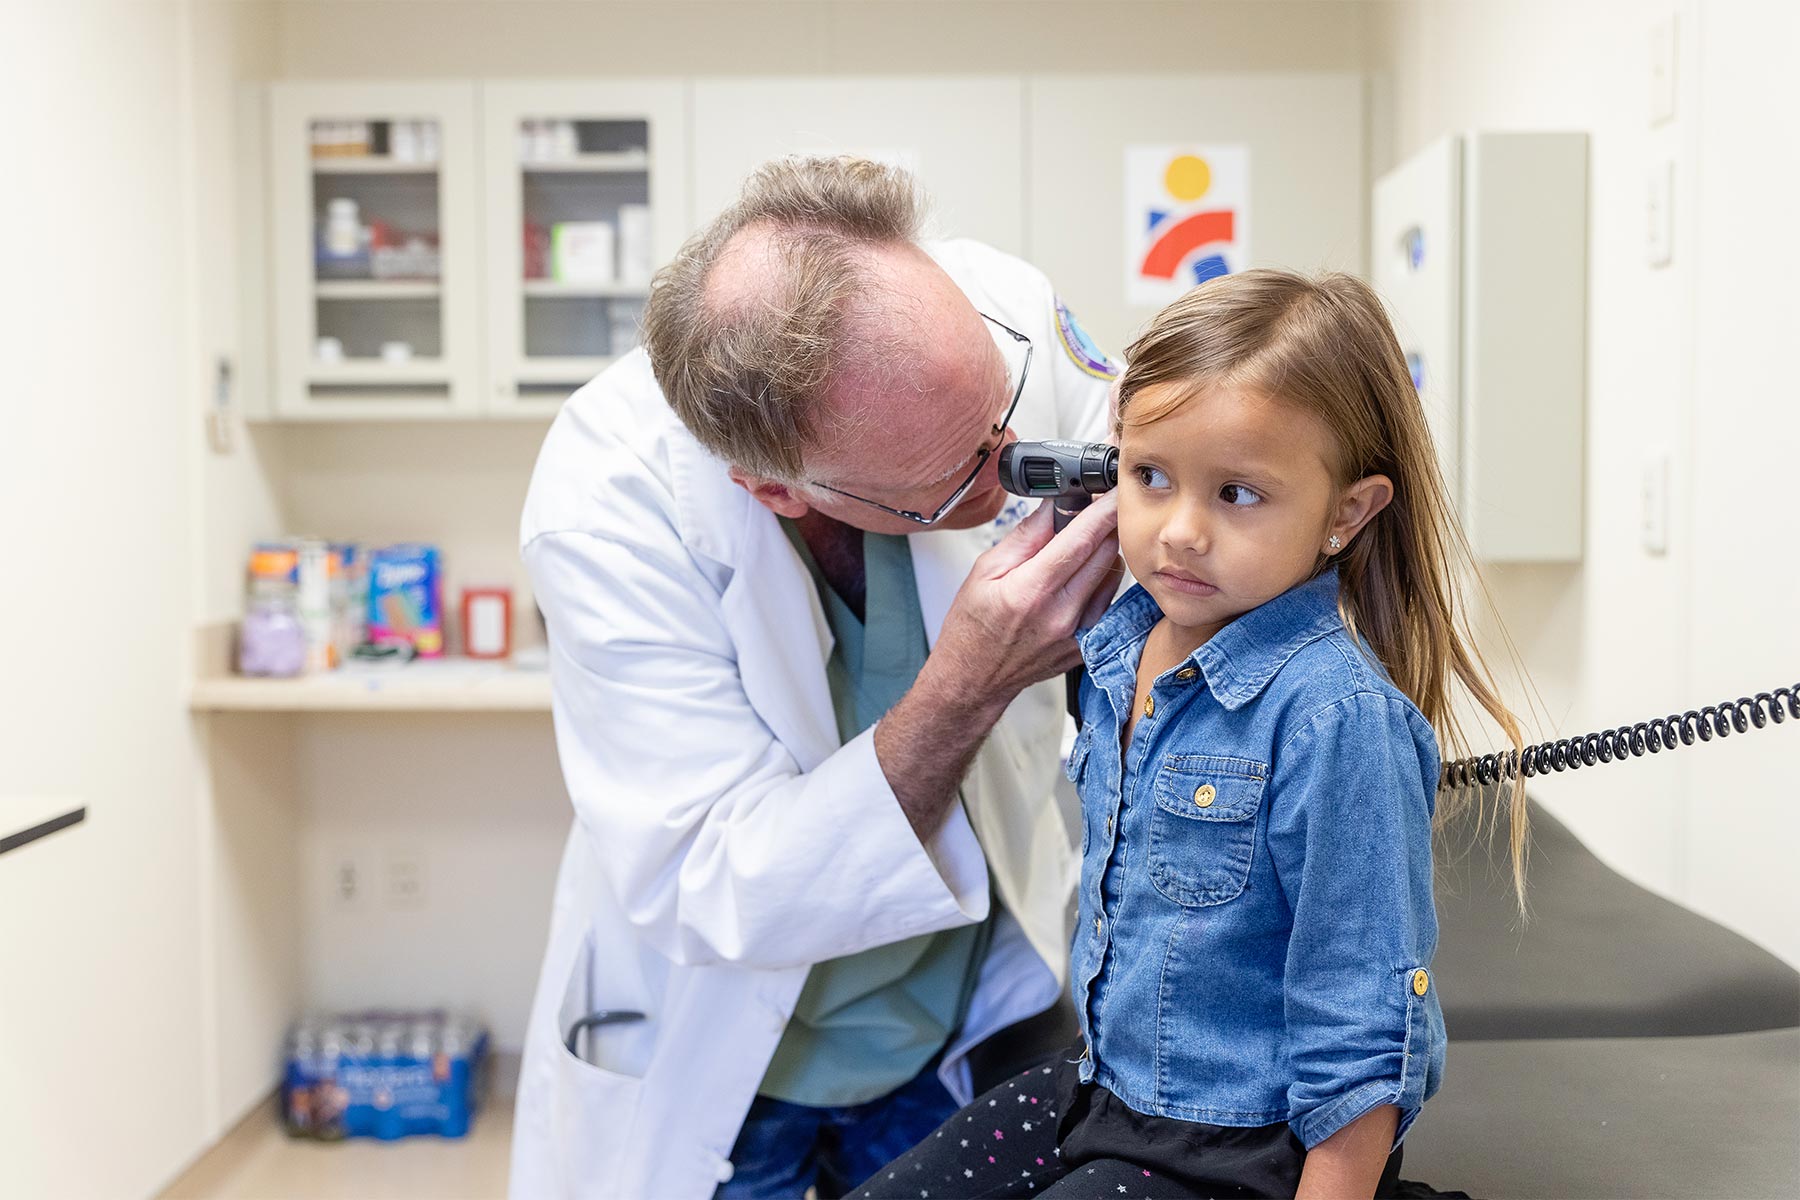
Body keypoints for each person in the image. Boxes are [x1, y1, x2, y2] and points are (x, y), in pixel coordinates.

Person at [509, 156, 1126, 1200]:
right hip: (733, 1052)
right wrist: (969, 681)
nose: (1011, 465)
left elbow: (1146, 455)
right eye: (955, 481)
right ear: (777, 490)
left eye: (1001, 413)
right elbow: (715, 876)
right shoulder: (606, 502)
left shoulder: (1001, 315)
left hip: (964, 1015)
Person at [859, 269, 1529, 1200]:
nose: (1179, 532)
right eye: (1151, 476)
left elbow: (1366, 1019)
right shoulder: (1111, 648)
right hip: (1107, 1090)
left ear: (1347, 512)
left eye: (1239, 495)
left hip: (1244, 1149)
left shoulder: (1335, 717)